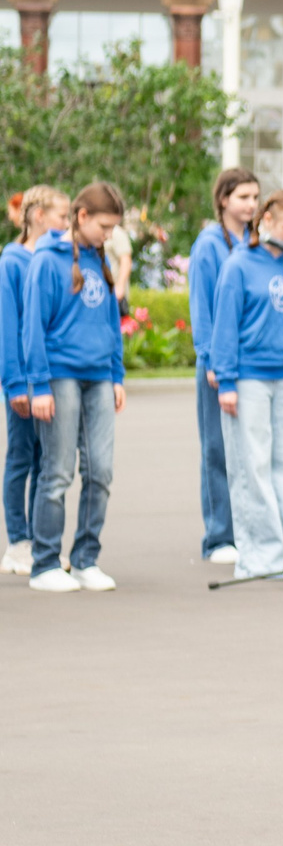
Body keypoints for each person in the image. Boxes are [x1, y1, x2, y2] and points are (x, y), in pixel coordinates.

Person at [23, 182, 129, 593]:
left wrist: (117, 375)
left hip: (99, 377)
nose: (109, 235)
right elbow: (32, 325)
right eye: (104, 226)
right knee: (57, 471)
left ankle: (86, 559)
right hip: (60, 376)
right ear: (81, 217)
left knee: (101, 471)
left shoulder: (99, 259)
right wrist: (39, 385)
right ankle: (45, 562)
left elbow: (111, 326)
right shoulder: (46, 261)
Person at [209, 190, 283, 581]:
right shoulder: (238, 265)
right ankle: (258, 555)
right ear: (267, 221)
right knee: (250, 465)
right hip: (249, 378)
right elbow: (225, 326)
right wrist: (226, 381)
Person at [188, 166, 261, 565]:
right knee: (217, 450)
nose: (251, 204)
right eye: (243, 197)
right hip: (218, 363)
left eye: (255, 197)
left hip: (251, 362)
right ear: (223, 200)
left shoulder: (257, 243)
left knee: (250, 451)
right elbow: (203, 307)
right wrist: (212, 358)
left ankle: (251, 531)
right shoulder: (210, 245)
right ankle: (219, 536)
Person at [3, 188, 69, 576]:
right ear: (39, 216)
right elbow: (9, 327)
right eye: (62, 216)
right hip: (24, 381)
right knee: (21, 457)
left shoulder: (55, 259)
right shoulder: (12, 263)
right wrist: (15, 383)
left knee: (47, 460)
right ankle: (18, 541)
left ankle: (40, 540)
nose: (66, 224)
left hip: (50, 377)